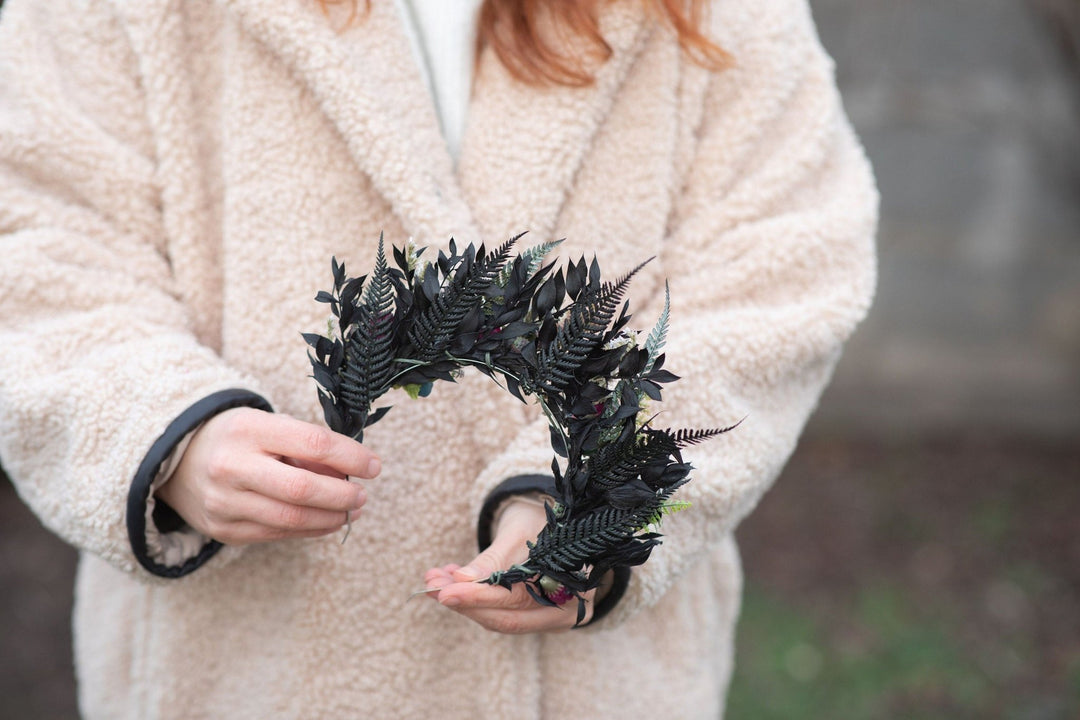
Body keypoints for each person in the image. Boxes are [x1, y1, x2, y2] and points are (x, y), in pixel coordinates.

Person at [0, 0, 877, 717]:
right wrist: (172, 437)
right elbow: (37, 236)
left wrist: (592, 497)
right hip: (241, 667)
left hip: (589, 687)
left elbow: (778, 270)